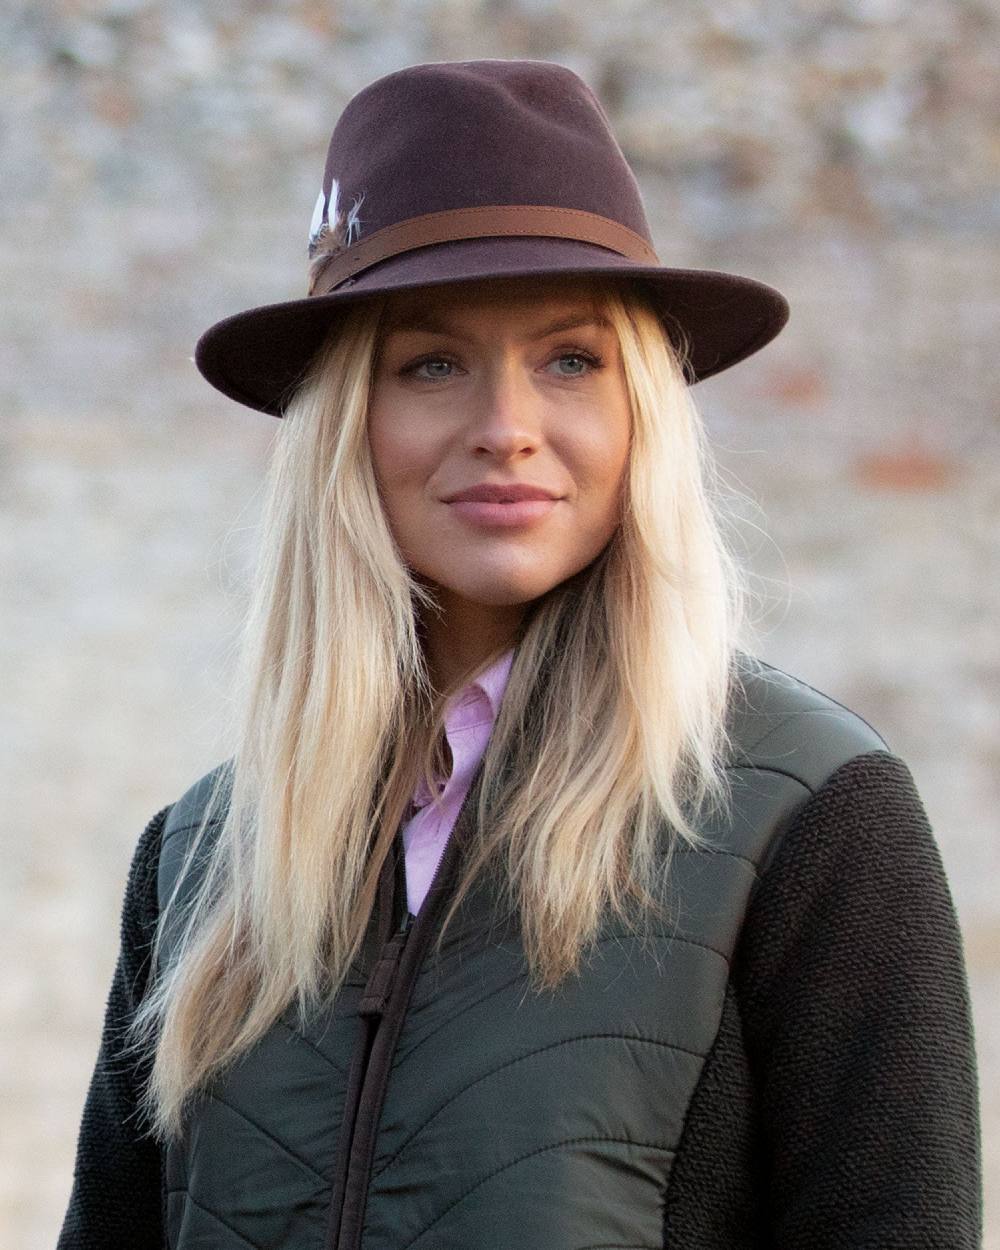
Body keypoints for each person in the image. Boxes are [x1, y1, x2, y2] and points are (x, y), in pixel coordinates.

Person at [59, 59, 981, 1250]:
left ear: (640, 411)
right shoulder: (198, 862)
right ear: (349, 424)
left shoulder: (807, 815)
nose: (506, 427)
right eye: (431, 364)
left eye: (571, 361)